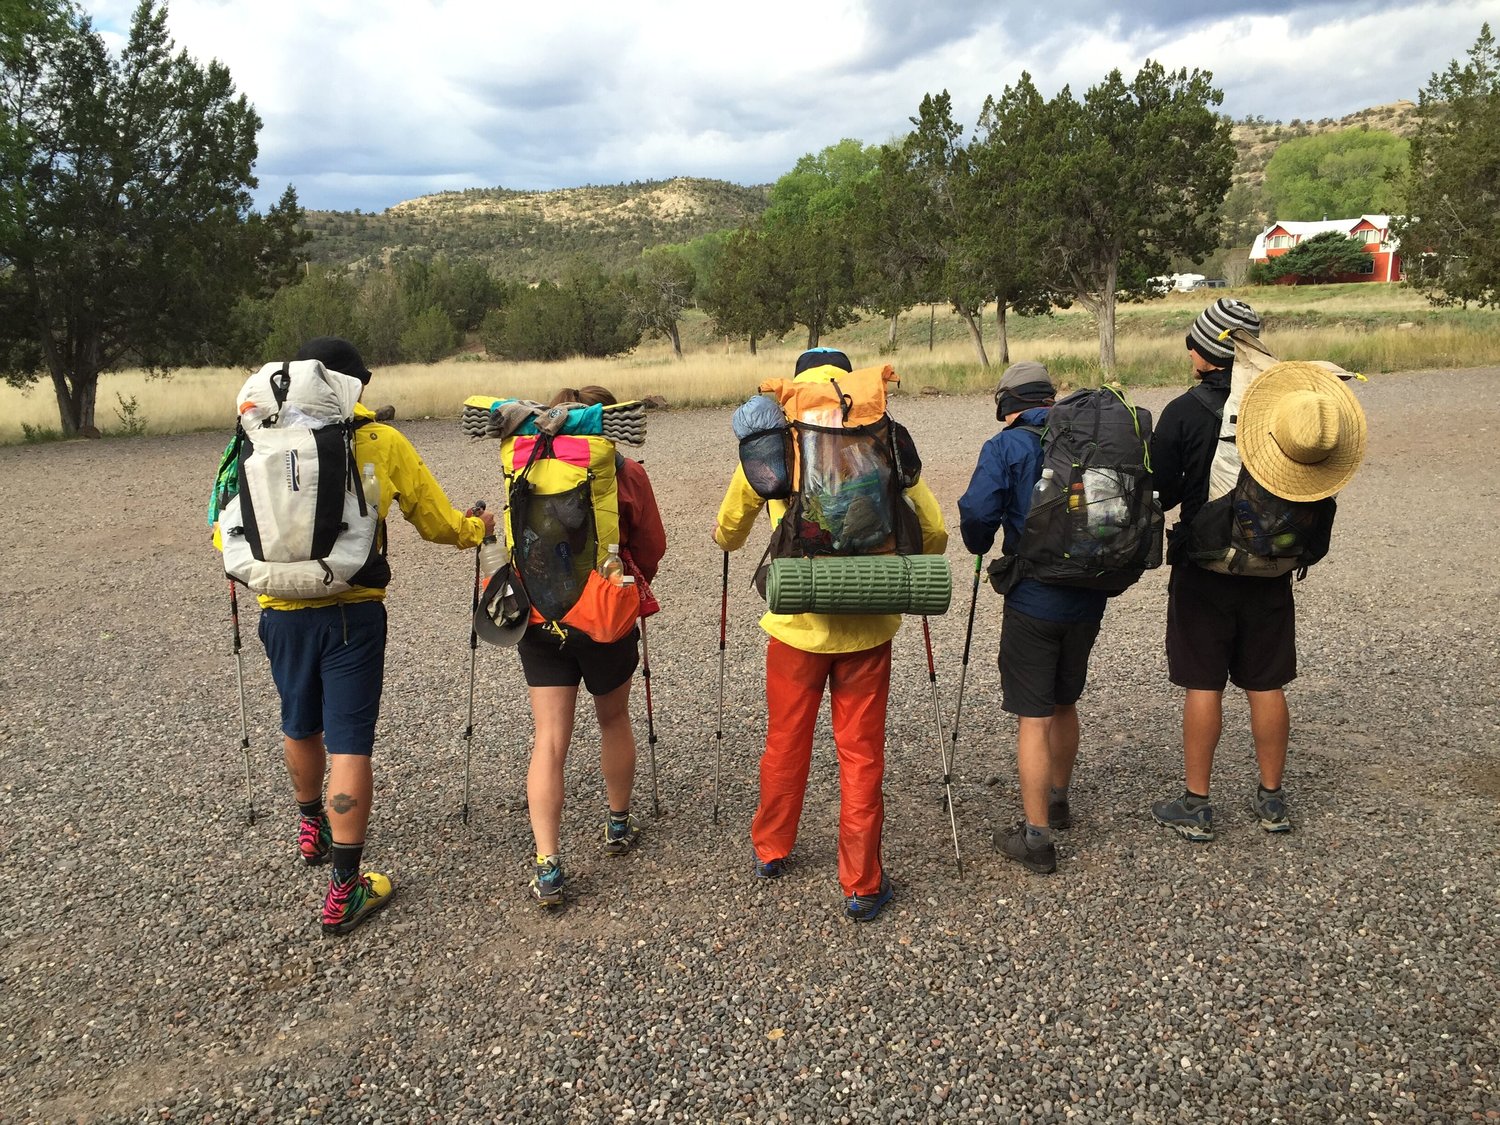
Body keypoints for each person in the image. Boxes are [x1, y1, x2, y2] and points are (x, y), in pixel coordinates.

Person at [250, 336, 494, 935]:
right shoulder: (379, 441)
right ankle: (344, 890)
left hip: (277, 607)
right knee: (350, 744)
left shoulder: (254, 436)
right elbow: (435, 521)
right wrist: (477, 529)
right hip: (352, 610)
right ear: (351, 385)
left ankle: (311, 829)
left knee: (298, 721)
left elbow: (222, 525)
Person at [713, 347, 948, 923]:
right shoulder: (880, 432)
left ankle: (772, 849)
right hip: (869, 627)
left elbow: (728, 529)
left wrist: (729, 538)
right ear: (848, 379)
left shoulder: (777, 440)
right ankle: (862, 883)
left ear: (798, 383)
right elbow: (935, 529)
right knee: (862, 756)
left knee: (785, 742)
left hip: (795, 626)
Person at [957, 361, 1109, 875]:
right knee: (1066, 701)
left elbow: (979, 514)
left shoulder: (1006, 446)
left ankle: (1037, 837)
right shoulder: (1091, 438)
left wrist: (980, 544)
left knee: (1034, 715)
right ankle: (1059, 800)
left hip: (1033, 600)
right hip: (1090, 594)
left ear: (1007, 404)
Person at [1148, 298, 1291, 840]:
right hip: (1271, 561)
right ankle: (1272, 801)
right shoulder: (1283, 407)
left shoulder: (1183, 412)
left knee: (1203, 682)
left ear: (1203, 354)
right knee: (1267, 680)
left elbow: (1159, 490)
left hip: (1205, 565)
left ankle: (1197, 803)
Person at [518, 386, 666, 907]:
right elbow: (653, 546)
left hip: (540, 614)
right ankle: (618, 824)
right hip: (604, 613)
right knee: (613, 720)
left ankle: (548, 865)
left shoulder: (529, 462)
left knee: (550, 739)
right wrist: (629, 582)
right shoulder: (625, 470)